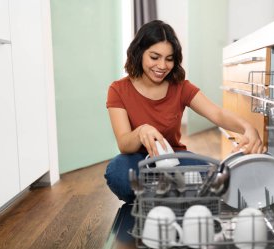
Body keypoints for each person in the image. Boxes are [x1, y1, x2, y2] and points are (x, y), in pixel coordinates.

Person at [104, 20, 265, 204]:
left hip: (174, 160)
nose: (162, 65)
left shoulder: (180, 87)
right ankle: (174, 194)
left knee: (218, 178)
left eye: (169, 58)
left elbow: (217, 114)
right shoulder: (118, 89)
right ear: (139, 53)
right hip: (137, 161)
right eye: (154, 57)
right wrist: (141, 131)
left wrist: (247, 127)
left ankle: (160, 195)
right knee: (117, 173)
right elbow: (124, 144)